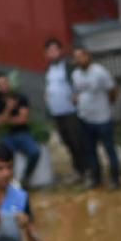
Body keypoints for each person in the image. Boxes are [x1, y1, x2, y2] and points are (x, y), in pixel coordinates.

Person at [69, 45, 120, 189]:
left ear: (87, 56)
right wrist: (76, 100)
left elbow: (113, 90)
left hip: (103, 118)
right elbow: (77, 92)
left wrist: (109, 104)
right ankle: (96, 178)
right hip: (85, 118)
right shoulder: (76, 75)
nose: (79, 59)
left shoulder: (100, 72)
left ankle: (115, 179)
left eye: (81, 56)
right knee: (90, 150)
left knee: (109, 149)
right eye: (76, 57)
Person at [0, 72, 48, 188]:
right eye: (0, 84)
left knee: (35, 152)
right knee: (6, 156)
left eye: (5, 83)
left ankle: (25, 179)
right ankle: (10, 181)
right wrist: (8, 109)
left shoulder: (20, 97)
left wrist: (3, 120)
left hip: (22, 133)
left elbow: (22, 119)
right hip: (6, 135)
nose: (4, 86)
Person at [41, 37, 86, 184]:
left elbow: (79, 82)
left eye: (55, 49)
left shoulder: (68, 66)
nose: (53, 53)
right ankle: (77, 169)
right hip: (57, 112)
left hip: (70, 111)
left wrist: (77, 96)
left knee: (77, 141)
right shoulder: (49, 68)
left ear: (60, 50)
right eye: (50, 50)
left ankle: (83, 169)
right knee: (66, 141)